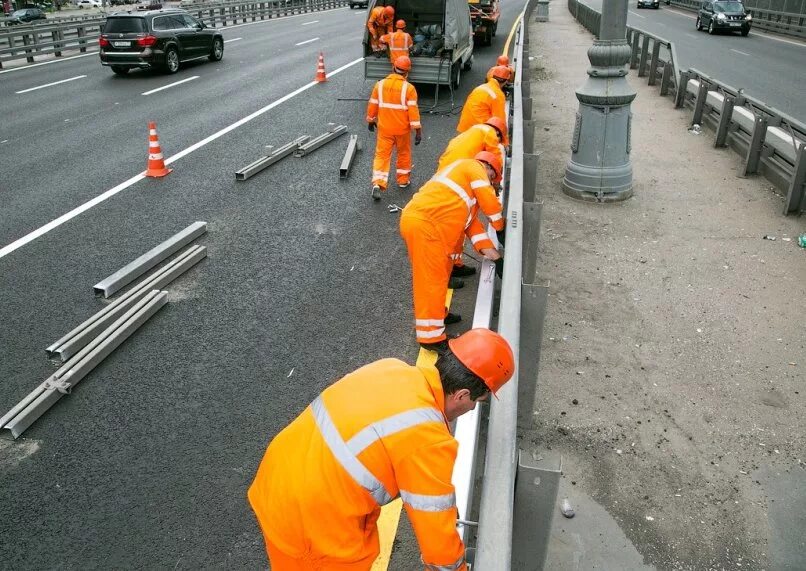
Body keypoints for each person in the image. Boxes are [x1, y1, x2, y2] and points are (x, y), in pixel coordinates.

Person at [248, 328, 516, 571]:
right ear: (461, 395)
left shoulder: (393, 369)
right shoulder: (428, 438)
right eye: (476, 402)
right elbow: (440, 550)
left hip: (279, 480)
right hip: (314, 524)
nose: (471, 410)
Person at [400, 153, 505, 350]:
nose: (491, 183)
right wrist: (500, 227)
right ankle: (431, 338)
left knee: (440, 278)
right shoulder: (473, 167)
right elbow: (490, 203)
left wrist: (496, 257)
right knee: (431, 282)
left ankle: (439, 315)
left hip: (428, 226)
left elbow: (473, 229)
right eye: (493, 178)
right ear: (489, 167)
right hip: (427, 226)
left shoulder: (464, 191)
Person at [436, 117, 508, 281]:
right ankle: (447, 271)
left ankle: (454, 265)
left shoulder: (472, 131)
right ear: (498, 132)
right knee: (453, 227)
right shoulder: (489, 132)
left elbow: (471, 225)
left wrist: (494, 255)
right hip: (459, 175)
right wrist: (499, 227)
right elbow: (495, 156)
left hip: (448, 172)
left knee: (461, 222)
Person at [366, 55, 422, 201]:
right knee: (403, 153)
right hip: (402, 130)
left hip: (385, 129)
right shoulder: (409, 88)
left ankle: (378, 182)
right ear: (407, 73)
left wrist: (371, 121)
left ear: (393, 68)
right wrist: (418, 131)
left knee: (382, 155)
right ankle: (403, 180)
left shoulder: (380, 85)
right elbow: (413, 112)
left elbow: (373, 105)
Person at [456, 66, 509, 134]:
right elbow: (500, 120)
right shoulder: (498, 95)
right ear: (506, 81)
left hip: (465, 127)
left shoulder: (479, 88)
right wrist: (504, 141)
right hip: (480, 131)